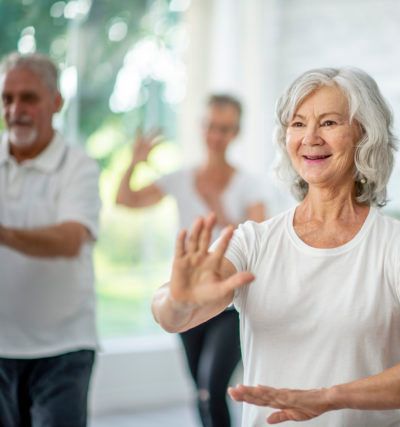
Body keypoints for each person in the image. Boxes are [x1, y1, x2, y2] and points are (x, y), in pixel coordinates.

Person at [152, 67, 400, 426]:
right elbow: (170, 315)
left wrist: (330, 398)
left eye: (329, 122)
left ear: (365, 133)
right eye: (298, 124)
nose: (310, 137)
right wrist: (178, 299)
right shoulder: (253, 241)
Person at [116, 94, 266, 427]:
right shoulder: (180, 178)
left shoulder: (249, 185)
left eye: (225, 129)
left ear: (236, 132)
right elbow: (125, 199)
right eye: (211, 126)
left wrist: (219, 206)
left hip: (230, 303)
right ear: (201, 128)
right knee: (199, 390)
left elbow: (261, 240)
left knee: (213, 387)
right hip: (187, 297)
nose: (216, 136)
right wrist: (135, 160)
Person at [0, 52, 101, 427]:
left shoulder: (79, 166)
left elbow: (71, 239)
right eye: (7, 99)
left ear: (56, 102)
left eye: (28, 98)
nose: (15, 110)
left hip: (63, 348)